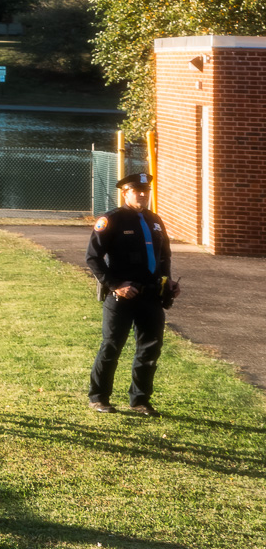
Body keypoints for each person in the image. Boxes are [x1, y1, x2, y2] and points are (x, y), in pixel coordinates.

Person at [87, 172, 177, 416]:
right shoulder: (111, 220)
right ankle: (98, 398)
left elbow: (164, 255)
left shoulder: (155, 220)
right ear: (125, 193)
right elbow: (93, 258)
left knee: (150, 349)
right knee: (112, 347)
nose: (142, 195)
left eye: (145, 191)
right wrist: (114, 285)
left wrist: (166, 281)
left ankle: (139, 400)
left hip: (150, 295)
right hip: (122, 296)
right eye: (137, 191)